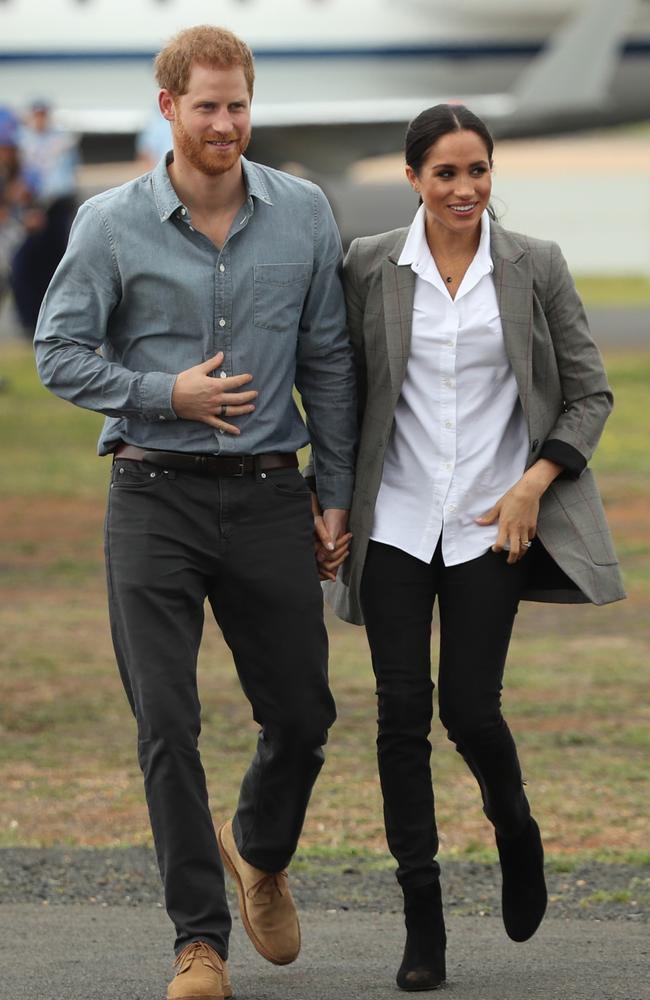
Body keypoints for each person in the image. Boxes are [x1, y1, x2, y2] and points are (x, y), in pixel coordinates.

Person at [34, 25, 356, 1000]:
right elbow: (58, 351)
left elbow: (330, 361)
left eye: (238, 105)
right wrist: (159, 395)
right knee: (165, 722)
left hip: (267, 493)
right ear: (167, 107)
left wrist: (333, 492)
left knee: (302, 715)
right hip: (151, 496)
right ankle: (199, 943)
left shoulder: (302, 212)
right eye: (206, 105)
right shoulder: (107, 223)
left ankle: (257, 845)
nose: (224, 123)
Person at [322, 104, 625, 992]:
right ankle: (424, 918)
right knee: (399, 716)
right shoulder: (370, 265)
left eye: (478, 171)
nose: (465, 188)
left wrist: (533, 484)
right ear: (413, 177)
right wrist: (328, 500)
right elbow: (340, 391)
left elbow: (589, 395)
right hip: (396, 522)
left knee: (470, 711)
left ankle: (516, 829)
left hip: (494, 526)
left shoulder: (536, 265)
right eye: (446, 173)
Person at [11, 99, 79, 333]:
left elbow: (67, 175)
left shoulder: (60, 139)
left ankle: (56, 315)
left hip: (56, 205)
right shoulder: (22, 140)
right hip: (31, 206)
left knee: (57, 262)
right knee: (27, 262)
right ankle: (30, 319)